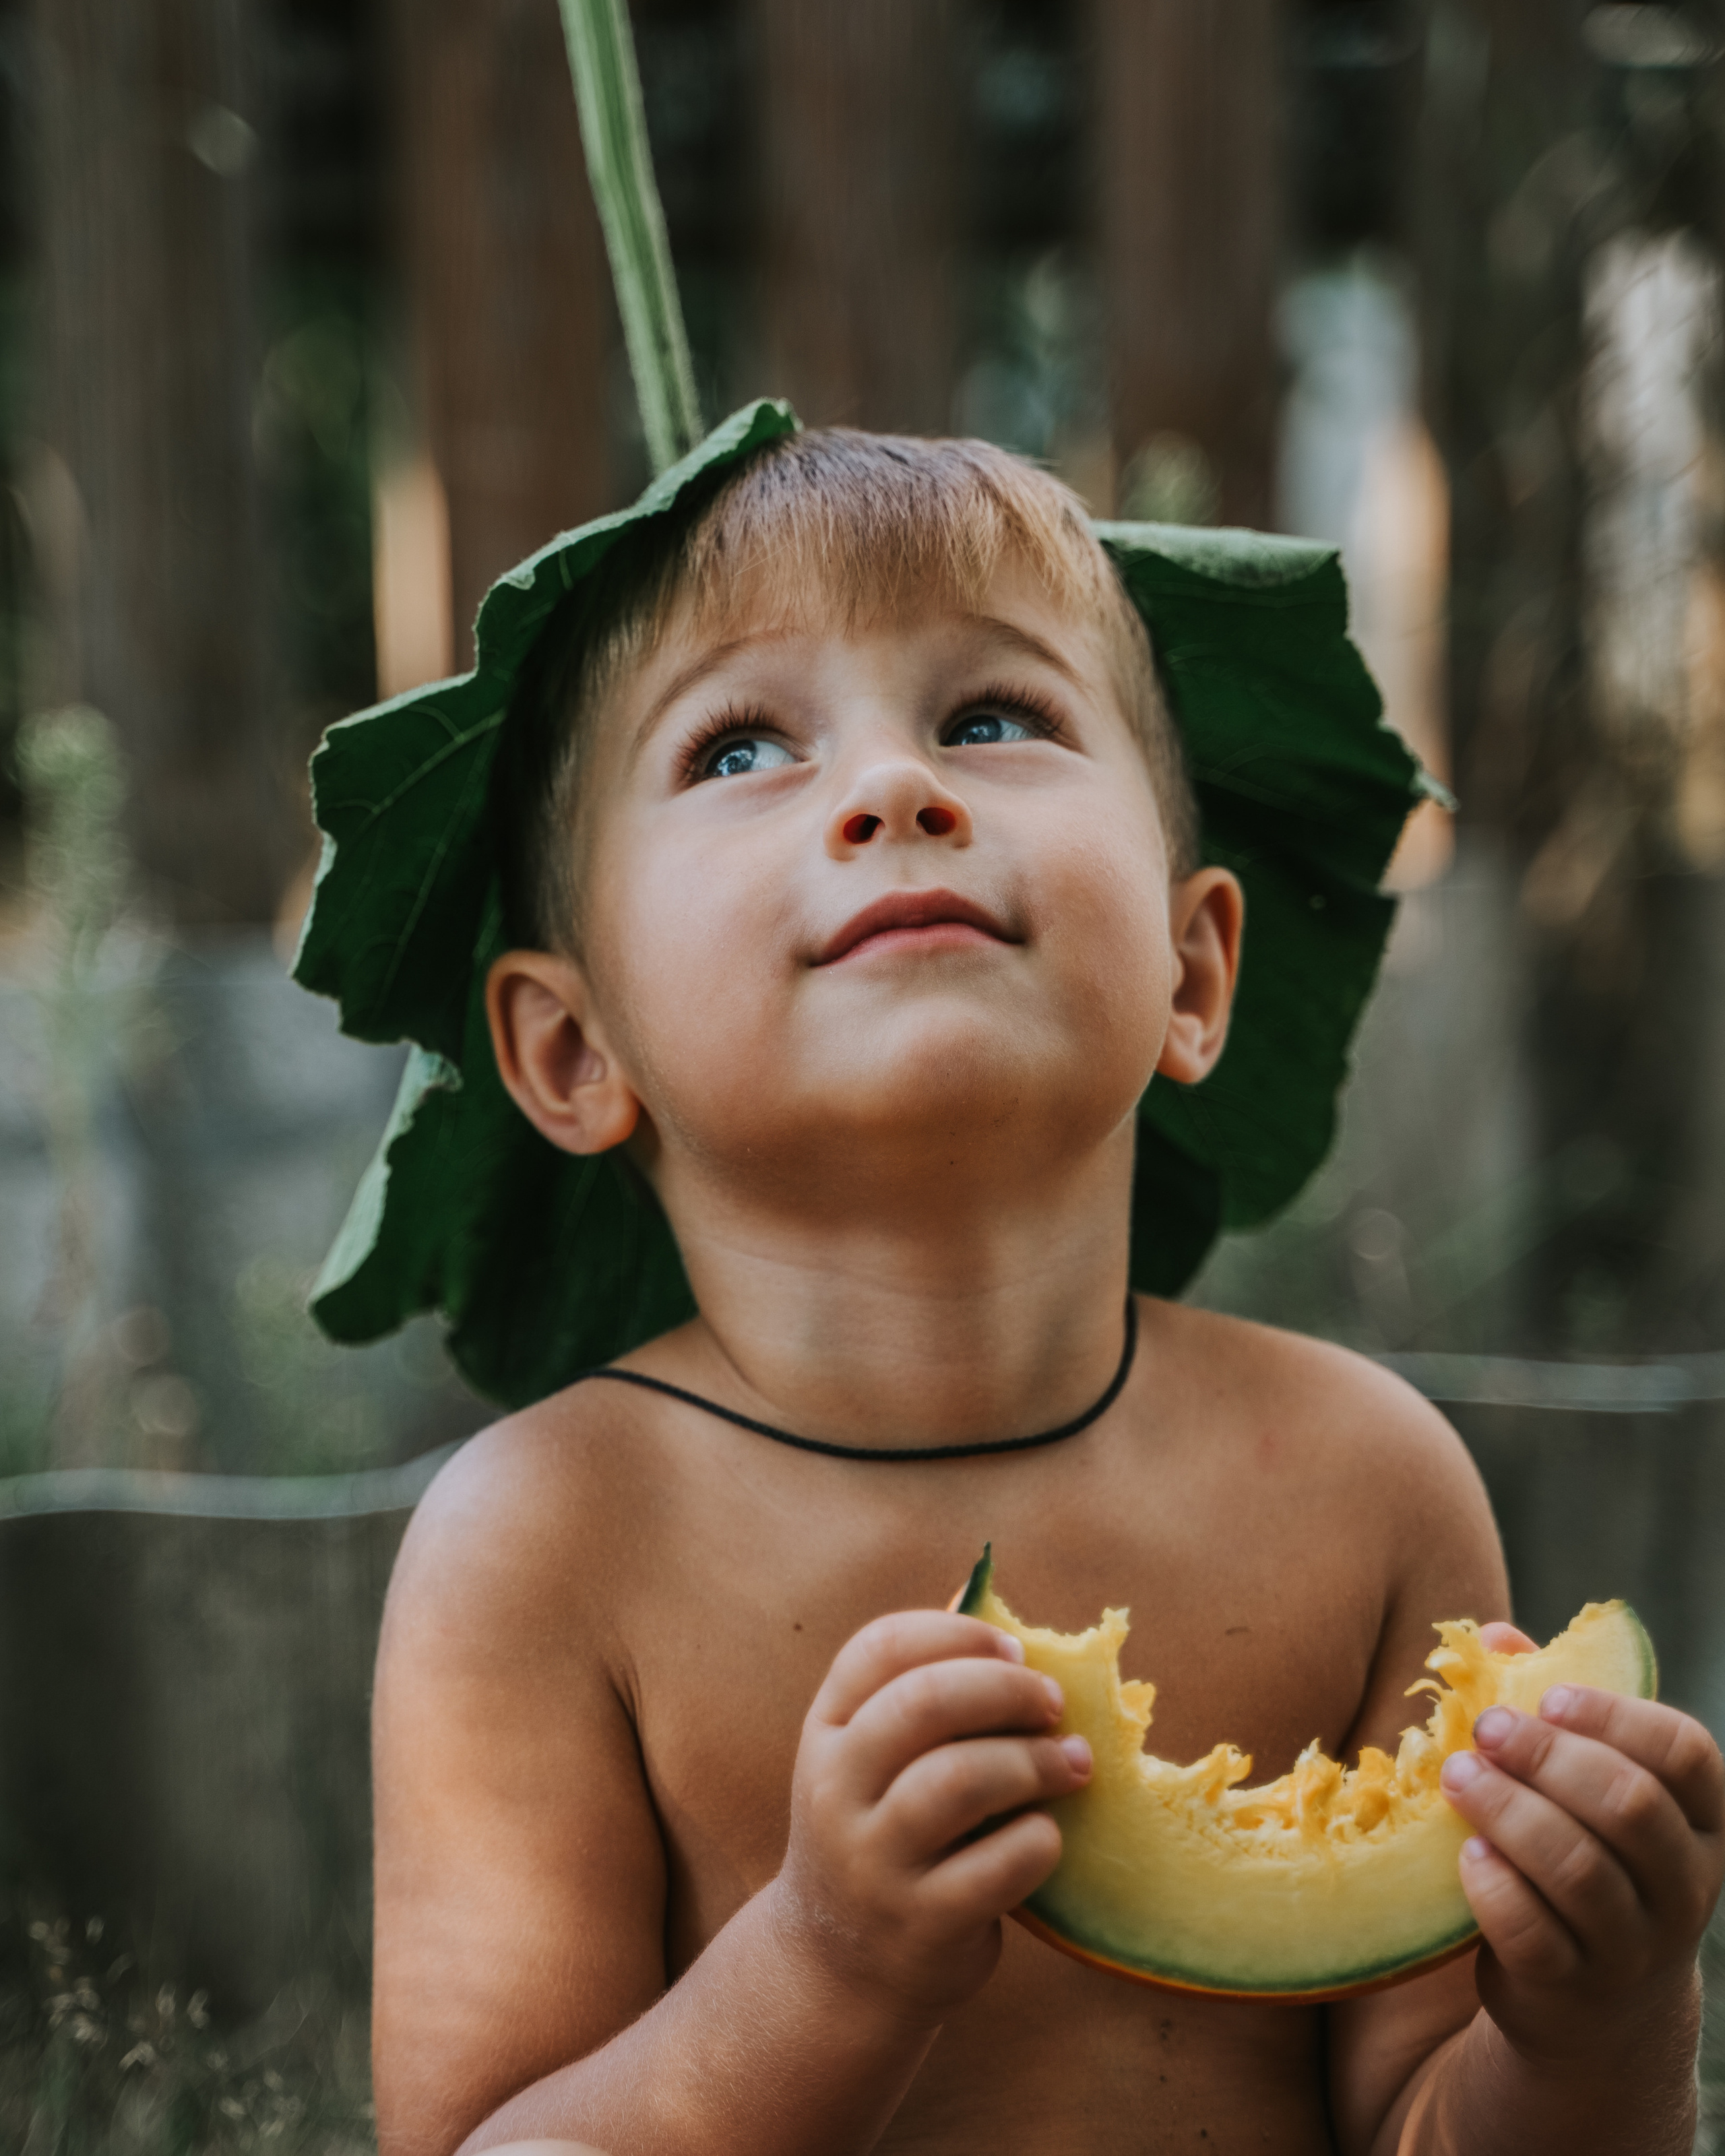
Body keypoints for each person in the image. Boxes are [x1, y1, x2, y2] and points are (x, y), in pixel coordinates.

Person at [356, 426, 1722, 2156]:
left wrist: (1603, 2019)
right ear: (570, 1047)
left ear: (1192, 967)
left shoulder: (1365, 1484)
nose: (890, 791)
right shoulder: (540, 1543)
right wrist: (817, 1969)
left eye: (990, 721)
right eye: (739, 743)